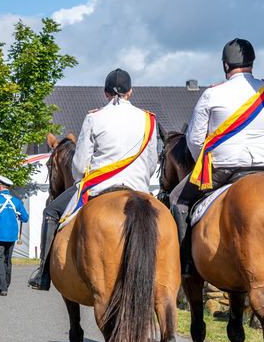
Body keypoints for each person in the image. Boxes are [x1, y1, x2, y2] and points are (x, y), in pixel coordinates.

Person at [28, 68, 158, 290]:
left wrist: (81, 180)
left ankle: (43, 273)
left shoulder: (94, 118)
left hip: (99, 187)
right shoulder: (148, 119)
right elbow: (152, 162)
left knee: (50, 212)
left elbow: (79, 166)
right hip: (139, 188)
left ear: (105, 93)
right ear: (130, 92)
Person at [171, 39, 264, 277]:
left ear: (225, 66)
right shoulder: (261, 91)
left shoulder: (212, 94)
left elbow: (194, 141)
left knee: (177, 200)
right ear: (252, 63)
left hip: (220, 171)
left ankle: (186, 267)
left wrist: (201, 165)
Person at [0, 176, 29, 296]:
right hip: (12, 235)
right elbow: (25, 218)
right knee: (7, 260)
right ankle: (6, 283)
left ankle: (2, 288)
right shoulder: (16, 201)